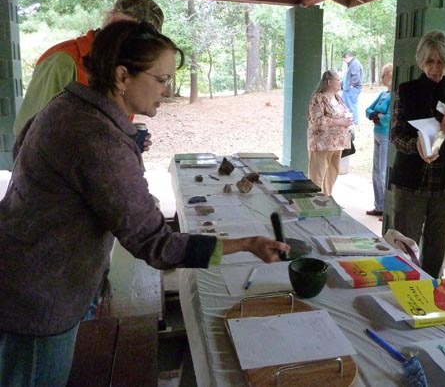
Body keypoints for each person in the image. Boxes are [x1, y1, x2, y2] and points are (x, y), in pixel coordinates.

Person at [0, 21, 289, 387]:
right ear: (122, 76)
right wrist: (247, 244)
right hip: (40, 299)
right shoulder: (98, 137)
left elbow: (29, 150)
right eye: (162, 79)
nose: (167, 92)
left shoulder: (69, 104)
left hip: (23, 274)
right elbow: (157, 246)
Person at [13, 0, 164, 137]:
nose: (115, 35)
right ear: (108, 19)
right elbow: (29, 134)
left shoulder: (123, 68)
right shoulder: (63, 61)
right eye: (115, 28)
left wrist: (128, 141)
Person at [389, 30, 445, 278]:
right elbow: (396, 134)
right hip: (410, 182)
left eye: (440, 62)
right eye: (430, 61)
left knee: (437, 251)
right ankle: (402, 297)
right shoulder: (407, 90)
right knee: (405, 248)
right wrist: (416, 145)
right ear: (421, 61)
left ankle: (430, 300)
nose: (435, 68)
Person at [307, 70, 353, 196]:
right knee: (317, 176)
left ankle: (326, 200)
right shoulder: (319, 98)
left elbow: (343, 114)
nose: (340, 83)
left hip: (338, 143)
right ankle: (314, 202)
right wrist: (339, 121)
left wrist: (347, 120)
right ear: (329, 82)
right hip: (322, 144)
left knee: (332, 173)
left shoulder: (338, 98)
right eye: (338, 80)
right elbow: (317, 120)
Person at [365, 63, 393, 220]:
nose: (382, 78)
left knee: (383, 173)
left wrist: (377, 116)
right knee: (376, 172)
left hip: (386, 137)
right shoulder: (382, 94)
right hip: (376, 135)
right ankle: (379, 206)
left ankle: (386, 209)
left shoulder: (393, 96)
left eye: (385, 74)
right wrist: (374, 115)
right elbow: (368, 110)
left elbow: (388, 117)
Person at [341, 52, 363, 125]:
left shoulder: (355, 64)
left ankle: (354, 121)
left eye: (344, 60)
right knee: (345, 104)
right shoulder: (351, 64)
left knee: (352, 105)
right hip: (347, 89)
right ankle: (348, 120)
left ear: (347, 57)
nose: (344, 61)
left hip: (353, 89)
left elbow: (356, 76)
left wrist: (352, 85)